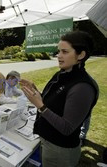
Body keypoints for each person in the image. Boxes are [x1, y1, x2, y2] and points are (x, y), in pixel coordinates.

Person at [20, 31, 99, 167]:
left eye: (65, 52)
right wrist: (36, 91)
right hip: (49, 142)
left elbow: (67, 128)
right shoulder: (65, 73)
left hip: (60, 150)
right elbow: (56, 102)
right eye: (58, 51)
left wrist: (40, 105)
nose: (59, 56)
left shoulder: (82, 87)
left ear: (81, 55)